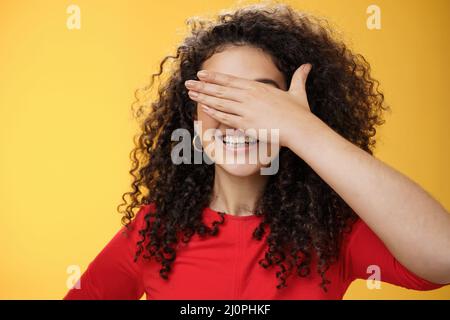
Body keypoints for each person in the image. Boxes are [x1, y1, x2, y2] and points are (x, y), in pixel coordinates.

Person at [64, 3, 450, 300]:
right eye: (221, 97)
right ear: (193, 119)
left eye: (263, 97)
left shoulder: (330, 231)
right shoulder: (154, 232)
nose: (239, 118)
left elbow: (442, 256)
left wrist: (304, 130)